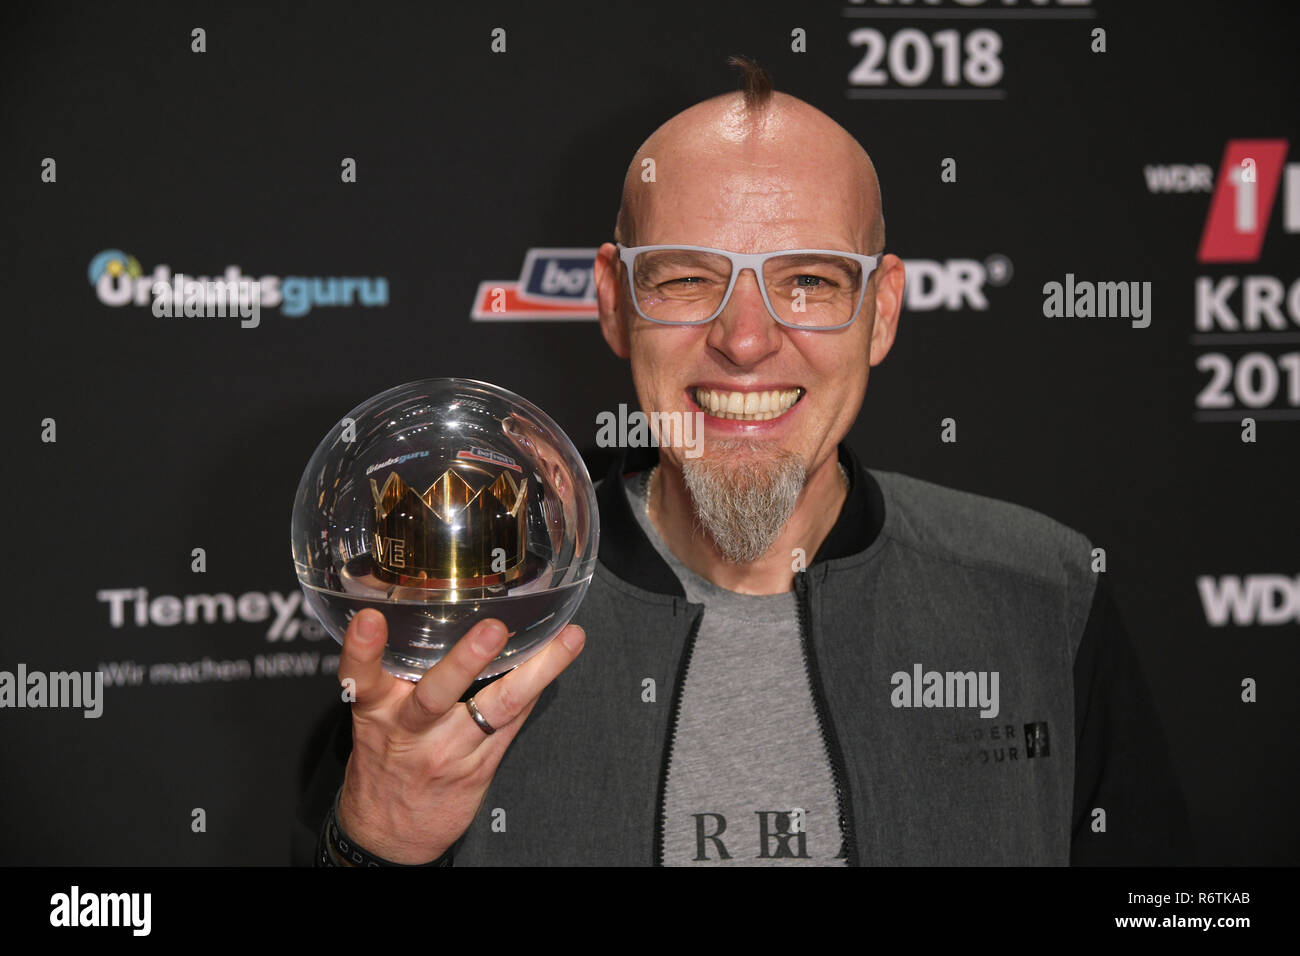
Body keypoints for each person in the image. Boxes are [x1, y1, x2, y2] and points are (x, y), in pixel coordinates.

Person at [294, 58, 1194, 867]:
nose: (747, 340)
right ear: (613, 301)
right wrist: (374, 852)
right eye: (687, 279)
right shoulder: (463, 625)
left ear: (881, 311)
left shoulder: (1042, 591)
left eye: (809, 280)